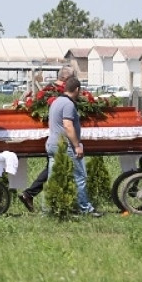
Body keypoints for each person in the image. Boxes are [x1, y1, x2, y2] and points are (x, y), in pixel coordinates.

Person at [18, 65, 74, 212]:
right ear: (65, 78)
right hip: (55, 134)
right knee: (59, 168)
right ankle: (49, 202)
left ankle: (30, 194)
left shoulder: (56, 92)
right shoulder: (52, 92)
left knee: (51, 167)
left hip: (53, 135)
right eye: (72, 78)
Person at [45, 76, 100, 217]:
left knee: (52, 176)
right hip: (65, 145)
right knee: (80, 176)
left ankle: (48, 208)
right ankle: (84, 208)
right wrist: (77, 146)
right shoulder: (68, 105)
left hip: (52, 143)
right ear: (76, 89)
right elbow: (68, 126)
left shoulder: (56, 102)